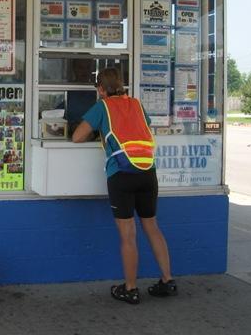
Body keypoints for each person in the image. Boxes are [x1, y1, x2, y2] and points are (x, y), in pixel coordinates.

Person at [72, 67, 177, 305]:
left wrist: (97, 129)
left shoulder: (102, 106)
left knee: (128, 235)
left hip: (121, 174)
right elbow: (140, 127)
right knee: (152, 227)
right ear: (121, 85)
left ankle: (130, 289)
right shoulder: (136, 104)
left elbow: (77, 136)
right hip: (147, 171)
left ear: (101, 89)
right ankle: (167, 280)